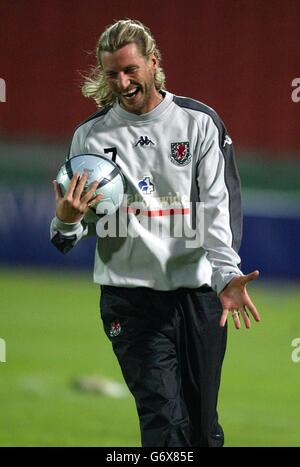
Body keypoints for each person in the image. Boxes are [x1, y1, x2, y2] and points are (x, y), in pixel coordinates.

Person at [50, 19, 260, 447]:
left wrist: (226, 277)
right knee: (165, 427)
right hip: (130, 302)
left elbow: (218, 209)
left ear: (153, 62)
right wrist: (69, 218)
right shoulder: (90, 137)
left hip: (197, 296)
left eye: (130, 70)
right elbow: (65, 238)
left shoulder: (198, 124)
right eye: (112, 73)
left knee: (202, 431)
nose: (122, 82)